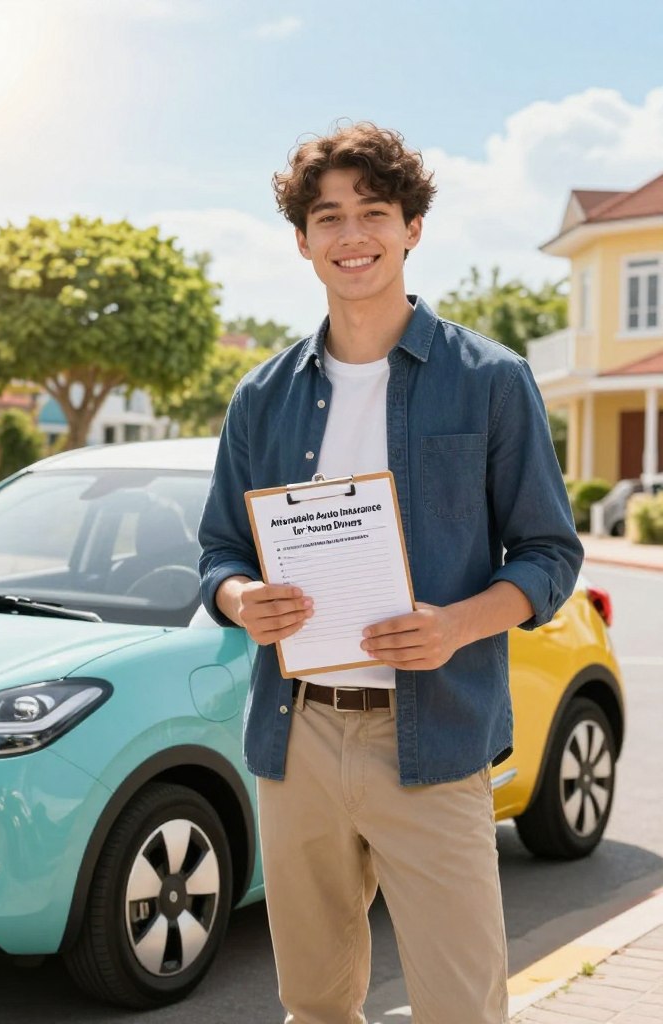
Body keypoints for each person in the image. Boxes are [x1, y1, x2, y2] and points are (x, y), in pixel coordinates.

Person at [197, 122, 582, 1024]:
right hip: (298, 741)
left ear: (412, 227)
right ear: (302, 242)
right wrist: (241, 597)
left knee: (463, 1006)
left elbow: (549, 556)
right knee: (316, 1006)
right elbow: (219, 550)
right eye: (327, 217)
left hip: (436, 743)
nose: (351, 234)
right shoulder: (262, 396)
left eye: (374, 211)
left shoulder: (492, 380)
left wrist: (454, 624)